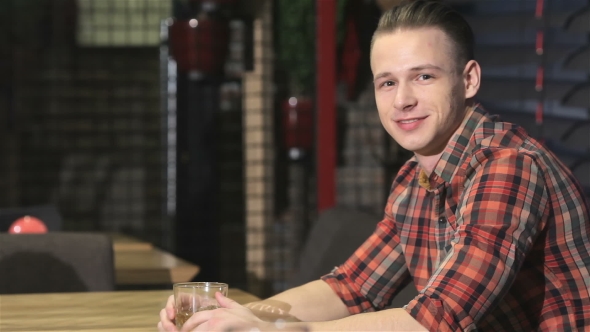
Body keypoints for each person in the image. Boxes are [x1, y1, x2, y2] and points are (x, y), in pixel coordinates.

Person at [158, 0, 590, 331]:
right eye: (387, 82)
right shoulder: (414, 179)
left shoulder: (509, 167)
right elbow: (353, 288)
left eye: (424, 76)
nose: (402, 100)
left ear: (469, 79)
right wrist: (233, 316)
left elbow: (434, 320)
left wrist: (279, 328)